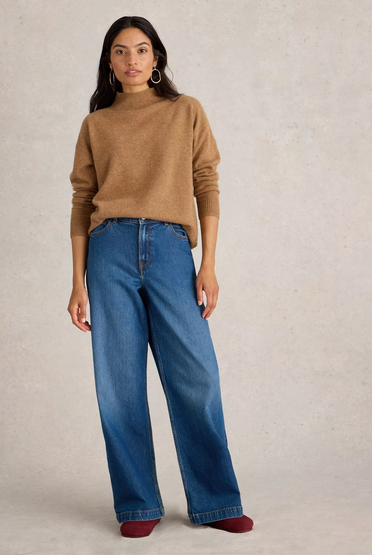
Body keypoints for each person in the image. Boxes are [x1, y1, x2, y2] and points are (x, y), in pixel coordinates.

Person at [67, 16, 254, 539]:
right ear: (109, 61)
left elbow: (206, 183)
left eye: (141, 49)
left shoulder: (184, 111)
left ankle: (216, 501)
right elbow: (82, 201)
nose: (131, 59)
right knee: (118, 384)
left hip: (172, 250)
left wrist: (208, 264)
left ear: (156, 58)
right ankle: (138, 505)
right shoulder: (97, 124)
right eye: (120, 51)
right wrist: (78, 281)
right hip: (109, 251)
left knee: (198, 377)